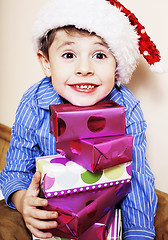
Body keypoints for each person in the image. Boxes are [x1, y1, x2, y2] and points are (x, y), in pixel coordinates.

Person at [0, 0, 164, 239]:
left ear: (116, 66)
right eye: (69, 54)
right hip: (54, 218)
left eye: (99, 55)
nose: (84, 68)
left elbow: (137, 176)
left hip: (106, 222)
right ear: (46, 63)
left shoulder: (126, 107)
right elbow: (16, 167)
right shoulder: (34, 101)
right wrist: (22, 198)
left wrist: (138, 233)